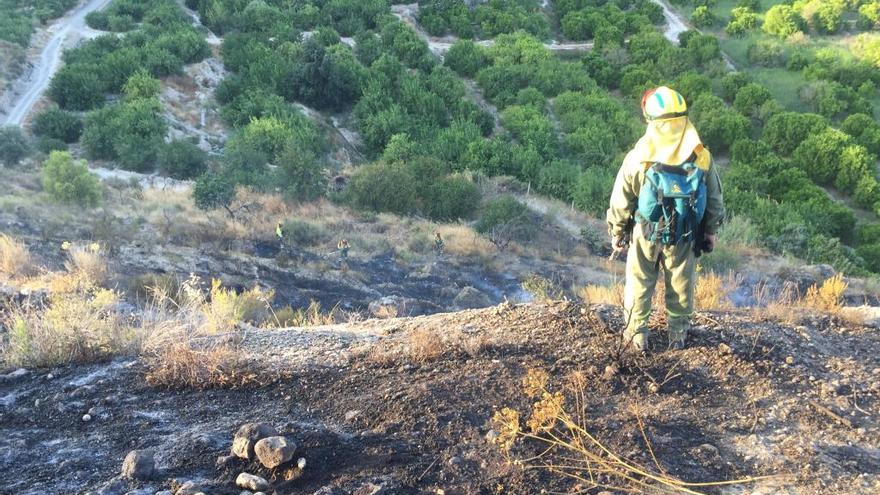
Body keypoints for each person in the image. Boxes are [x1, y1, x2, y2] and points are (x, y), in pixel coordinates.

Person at [606, 86, 725, 352]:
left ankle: (636, 339)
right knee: (681, 286)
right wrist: (710, 232)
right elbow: (714, 201)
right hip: (685, 234)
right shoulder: (701, 157)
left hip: (646, 232)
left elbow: (621, 200)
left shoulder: (639, 158)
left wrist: (617, 233)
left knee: (639, 282)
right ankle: (678, 338)